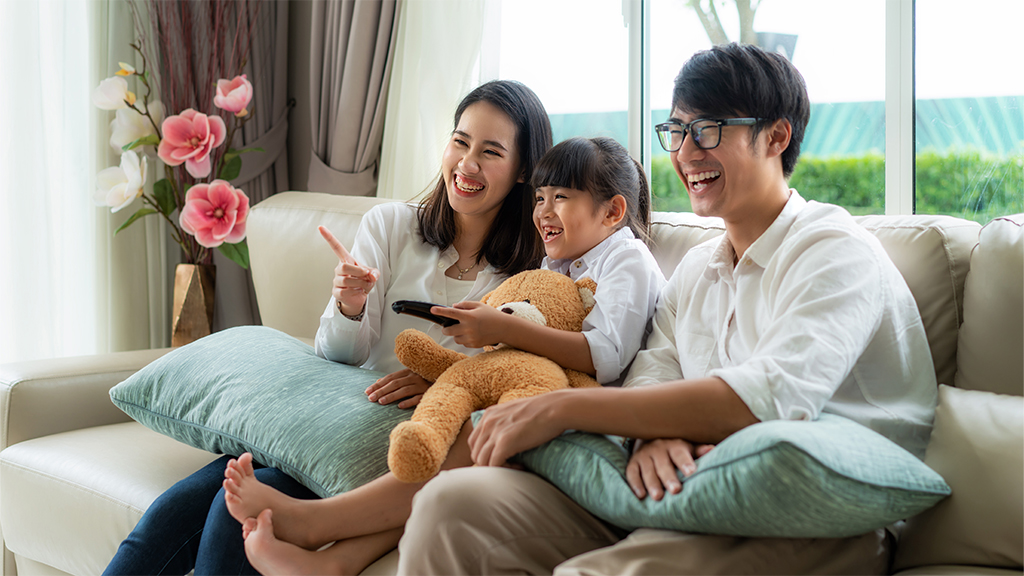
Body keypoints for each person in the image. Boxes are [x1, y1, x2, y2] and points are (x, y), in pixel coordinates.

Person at [396, 43, 938, 576]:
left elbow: (771, 397)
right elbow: (653, 370)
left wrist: (561, 408)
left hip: (815, 516)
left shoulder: (833, 249)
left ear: (776, 136)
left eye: (708, 130)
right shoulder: (698, 268)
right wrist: (655, 431)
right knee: (451, 508)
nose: (684, 152)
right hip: (681, 488)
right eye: (677, 131)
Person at [102, 79, 552, 576]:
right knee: (166, 520)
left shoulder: (534, 274)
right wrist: (351, 303)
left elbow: (520, 379)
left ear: (523, 171)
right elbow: (336, 356)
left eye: (490, 152)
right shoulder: (392, 226)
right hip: (332, 420)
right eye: (460, 142)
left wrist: (444, 382)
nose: (467, 164)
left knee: (236, 519)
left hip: (410, 441)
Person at [219, 135, 667, 575]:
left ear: (613, 211)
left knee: (473, 433)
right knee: (451, 455)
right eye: (541, 198)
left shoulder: (627, 258)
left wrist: (504, 328)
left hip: (591, 421)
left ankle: (315, 522)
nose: (544, 212)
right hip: (548, 402)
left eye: (561, 198)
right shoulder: (560, 264)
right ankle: (338, 561)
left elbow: (604, 355)